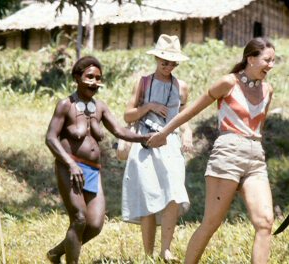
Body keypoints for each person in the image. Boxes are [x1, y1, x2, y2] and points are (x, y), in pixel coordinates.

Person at [147, 37, 275, 264]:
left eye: (273, 61)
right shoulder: (228, 83)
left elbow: (259, 127)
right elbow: (192, 110)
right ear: (251, 58)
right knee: (211, 223)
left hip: (256, 158)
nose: (270, 65)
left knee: (265, 223)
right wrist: (165, 133)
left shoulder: (268, 90)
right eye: (267, 60)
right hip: (227, 154)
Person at [45, 56, 150, 264]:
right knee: (79, 219)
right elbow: (50, 138)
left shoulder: (100, 107)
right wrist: (71, 164)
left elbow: (119, 130)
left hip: (93, 169)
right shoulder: (65, 105)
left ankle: (56, 253)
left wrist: (143, 138)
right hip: (71, 167)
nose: (94, 82)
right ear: (77, 77)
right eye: (89, 77)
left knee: (94, 225)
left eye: (98, 78)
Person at [121, 34, 193, 261]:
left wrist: (187, 132)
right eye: (164, 61)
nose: (168, 66)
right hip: (145, 141)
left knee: (173, 193)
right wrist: (150, 106)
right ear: (156, 59)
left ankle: (166, 249)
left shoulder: (181, 86)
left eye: (173, 62)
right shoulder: (143, 82)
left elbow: (184, 115)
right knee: (148, 196)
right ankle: (148, 253)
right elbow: (127, 114)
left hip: (170, 142)